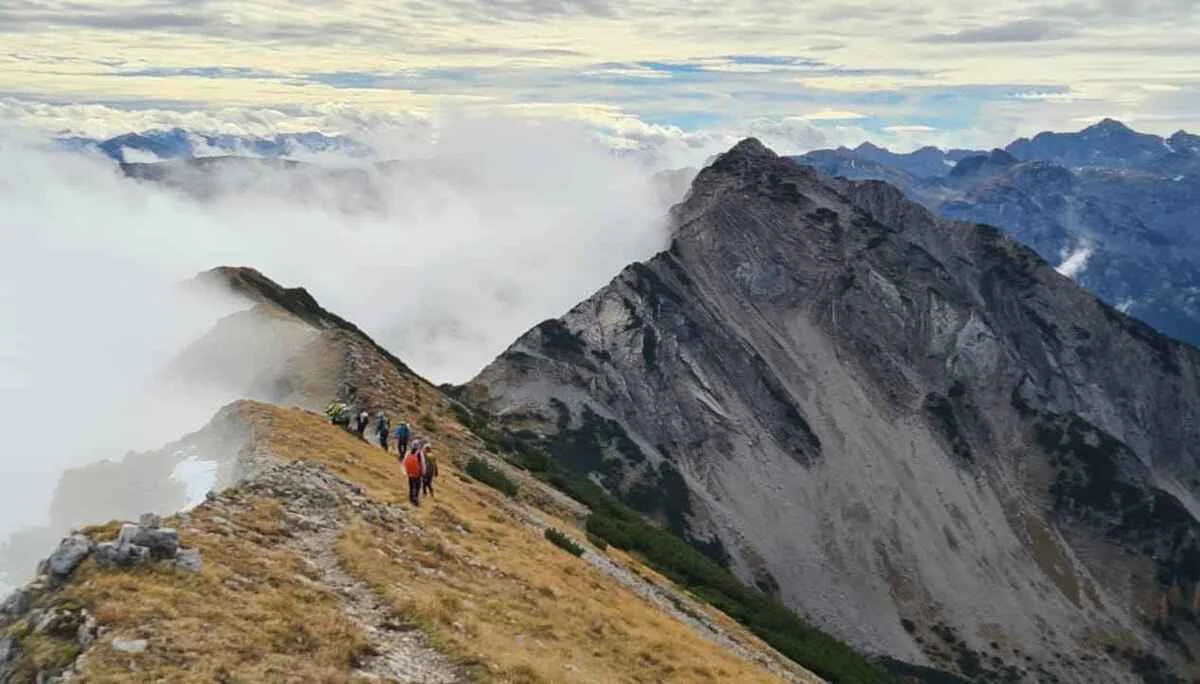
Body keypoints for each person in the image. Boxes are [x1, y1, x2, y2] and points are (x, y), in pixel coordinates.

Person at [402, 441, 426, 506]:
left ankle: (411, 498)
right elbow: (423, 463)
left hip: (410, 473)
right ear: (418, 446)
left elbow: (404, 462)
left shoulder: (408, 452)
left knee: (411, 485)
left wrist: (405, 472)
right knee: (417, 486)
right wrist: (423, 472)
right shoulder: (420, 453)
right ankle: (415, 498)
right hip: (417, 472)